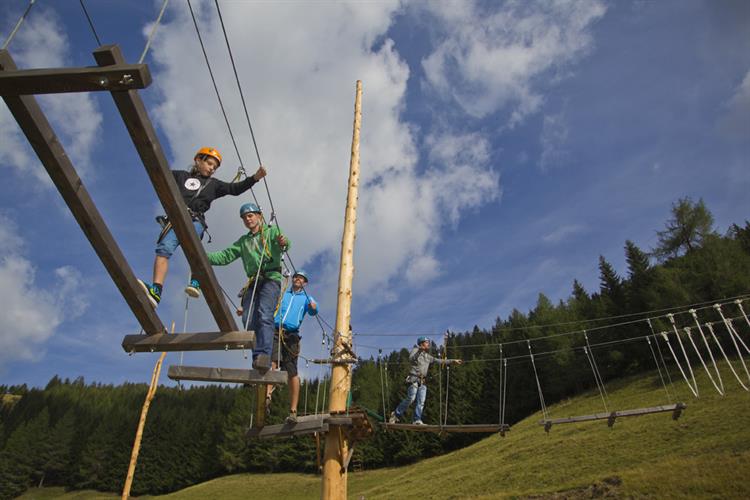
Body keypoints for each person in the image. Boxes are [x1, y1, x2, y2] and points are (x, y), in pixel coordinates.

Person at [138, 147, 267, 307]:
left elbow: (234, 189)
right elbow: (159, 173)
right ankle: (156, 291)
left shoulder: (214, 184)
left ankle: (195, 281)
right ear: (198, 160)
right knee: (163, 250)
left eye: (215, 167)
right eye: (210, 164)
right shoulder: (180, 175)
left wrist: (255, 178)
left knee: (194, 250)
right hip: (175, 219)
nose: (212, 168)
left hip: (195, 219)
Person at [206, 202, 289, 371]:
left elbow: (285, 244)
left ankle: (264, 355)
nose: (247, 219)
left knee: (265, 315)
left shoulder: (271, 232)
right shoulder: (243, 242)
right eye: (244, 218)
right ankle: (257, 356)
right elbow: (225, 256)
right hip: (253, 281)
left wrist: (283, 242)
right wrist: (202, 254)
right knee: (248, 319)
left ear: (259, 216)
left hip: (270, 279)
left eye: (250, 215)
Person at [269, 270, 318, 424]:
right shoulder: (284, 293)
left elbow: (313, 311)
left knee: (292, 372)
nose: (298, 279)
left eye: (301, 278)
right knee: (272, 362)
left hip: (292, 335)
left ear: (305, 283)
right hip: (276, 330)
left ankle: (293, 410)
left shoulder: (306, 298)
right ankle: (267, 396)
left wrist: (313, 306)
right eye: (296, 277)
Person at [388, 336, 463, 425]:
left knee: (421, 401)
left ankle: (417, 420)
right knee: (411, 398)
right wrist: (419, 350)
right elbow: (412, 359)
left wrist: (452, 361)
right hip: (414, 379)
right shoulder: (415, 350)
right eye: (427, 342)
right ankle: (396, 414)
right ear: (421, 343)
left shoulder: (427, 356)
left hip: (422, 381)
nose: (428, 344)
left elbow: (438, 360)